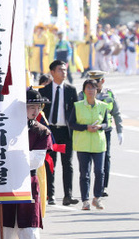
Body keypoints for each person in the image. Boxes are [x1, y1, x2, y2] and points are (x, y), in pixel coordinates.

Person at [0, 88, 51, 239]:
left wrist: (12, 156)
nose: (34, 111)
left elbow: (36, 160)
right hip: (6, 182)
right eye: (30, 106)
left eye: (37, 107)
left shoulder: (42, 132)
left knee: (30, 231)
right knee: (5, 230)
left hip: (28, 182)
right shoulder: (3, 128)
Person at [41, 60, 79, 206]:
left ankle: (67, 195)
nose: (64, 72)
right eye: (60, 70)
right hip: (50, 132)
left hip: (65, 132)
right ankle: (50, 195)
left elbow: (75, 112)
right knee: (50, 163)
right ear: (52, 72)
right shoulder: (44, 91)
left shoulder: (71, 90)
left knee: (67, 164)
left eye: (65, 70)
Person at [69, 79, 109, 210]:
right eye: (88, 88)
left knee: (99, 171)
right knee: (84, 173)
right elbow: (72, 123)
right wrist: (86, 127)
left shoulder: (103, 106)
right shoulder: (78, 105)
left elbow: (106, 123)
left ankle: (97, 198)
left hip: (98, 143)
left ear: (97, 90)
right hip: (83, 143)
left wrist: (100, 126)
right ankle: (85, 200)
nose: (91, 90)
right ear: (84, 90)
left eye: (93, 88)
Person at [85, 71, 122, 197]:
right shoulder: (84, 93)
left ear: (103, 81)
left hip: (104, 131)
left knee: (105, 159)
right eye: (92, 81)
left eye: (97, 81)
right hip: (87, 131)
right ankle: (87, 187)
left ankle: (102, 187)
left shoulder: (109, 94)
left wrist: (120, 131)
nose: (95, 84)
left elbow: (116, 113)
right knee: (87, 159)